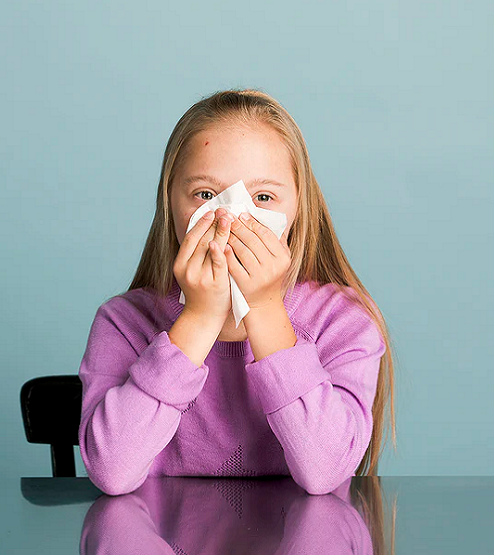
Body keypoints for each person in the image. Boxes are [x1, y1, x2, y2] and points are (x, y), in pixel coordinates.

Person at [78, 88, 396, 496]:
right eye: (206, 195)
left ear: (299, 207)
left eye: (263, 197)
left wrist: (263, 309)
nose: (232, 217)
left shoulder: (343, 322)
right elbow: (113, 471)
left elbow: (325, 472)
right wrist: (199, 318)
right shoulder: (122, 324)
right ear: (170, 204)